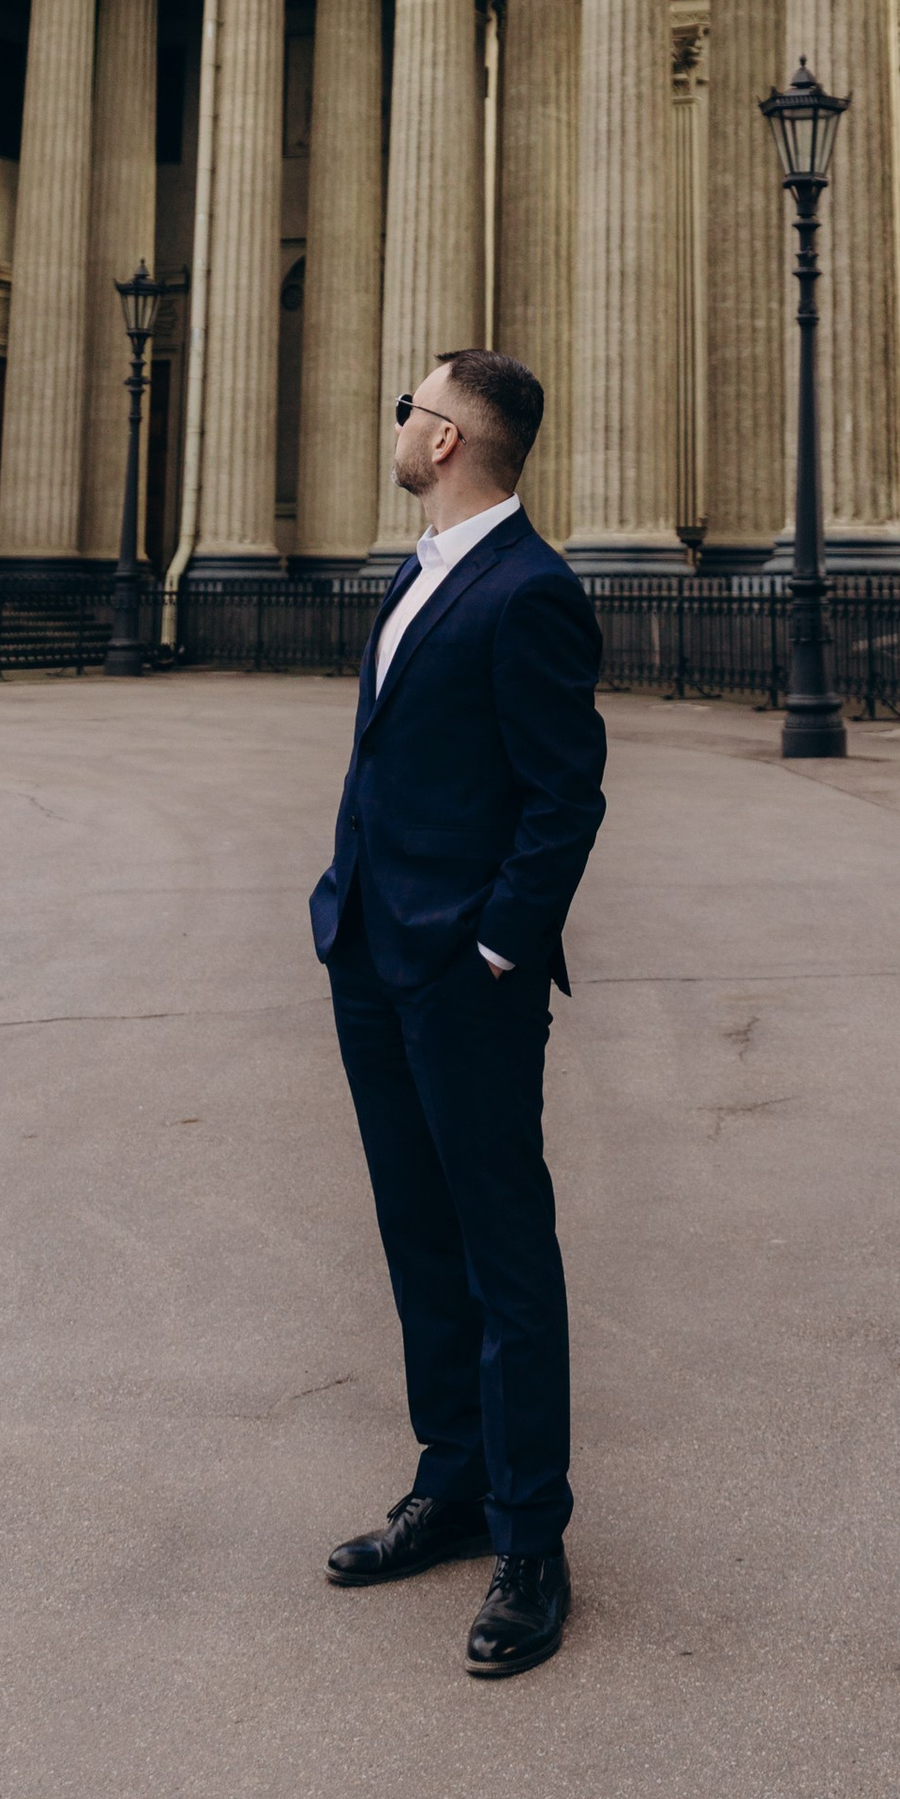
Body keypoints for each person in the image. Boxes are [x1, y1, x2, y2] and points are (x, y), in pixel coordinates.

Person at [310, 348, 606, 1681]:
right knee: (418, 1234)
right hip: (372, 949)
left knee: (503, 1251)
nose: (398, 425)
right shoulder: (423, 572)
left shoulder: (530, 590)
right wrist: (346, 908)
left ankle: (532, 1542)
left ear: (447, 442)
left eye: (410, 410)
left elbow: (564, 799)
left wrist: (495, 947)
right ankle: (455, 1483)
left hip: (460, 976)